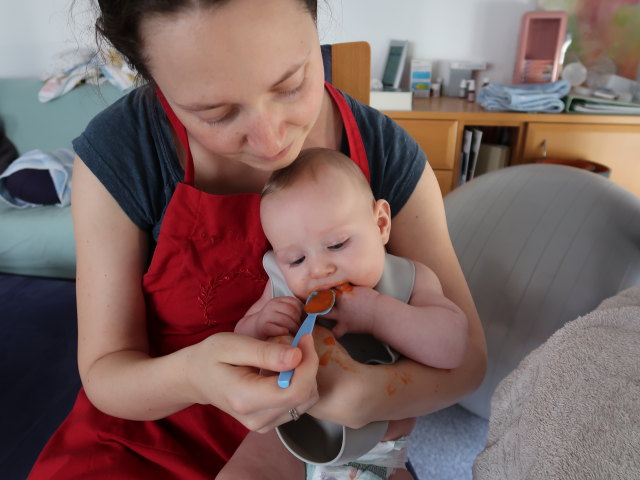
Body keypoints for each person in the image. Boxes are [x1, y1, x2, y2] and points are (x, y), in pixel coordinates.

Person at [28, 0, 487, 478]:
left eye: (291, 85)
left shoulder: (387, 155)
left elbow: (468, 359)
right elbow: (107, 371)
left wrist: (369, 394)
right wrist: (195, 376)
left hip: (335, 439)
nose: (271, 144)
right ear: (149, 76)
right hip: (147, 436)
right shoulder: (123, 153)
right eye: (216, 113)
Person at [222, 147, 469, 480]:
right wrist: (259, 326)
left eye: (337, 245)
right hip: (288, 438)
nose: (319, 269)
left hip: (377, 454)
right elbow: (238, 346)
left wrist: (379, 314)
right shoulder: (283, 289)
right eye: (296, 260)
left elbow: (453, 347)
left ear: (380, 223)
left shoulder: (409, 280)